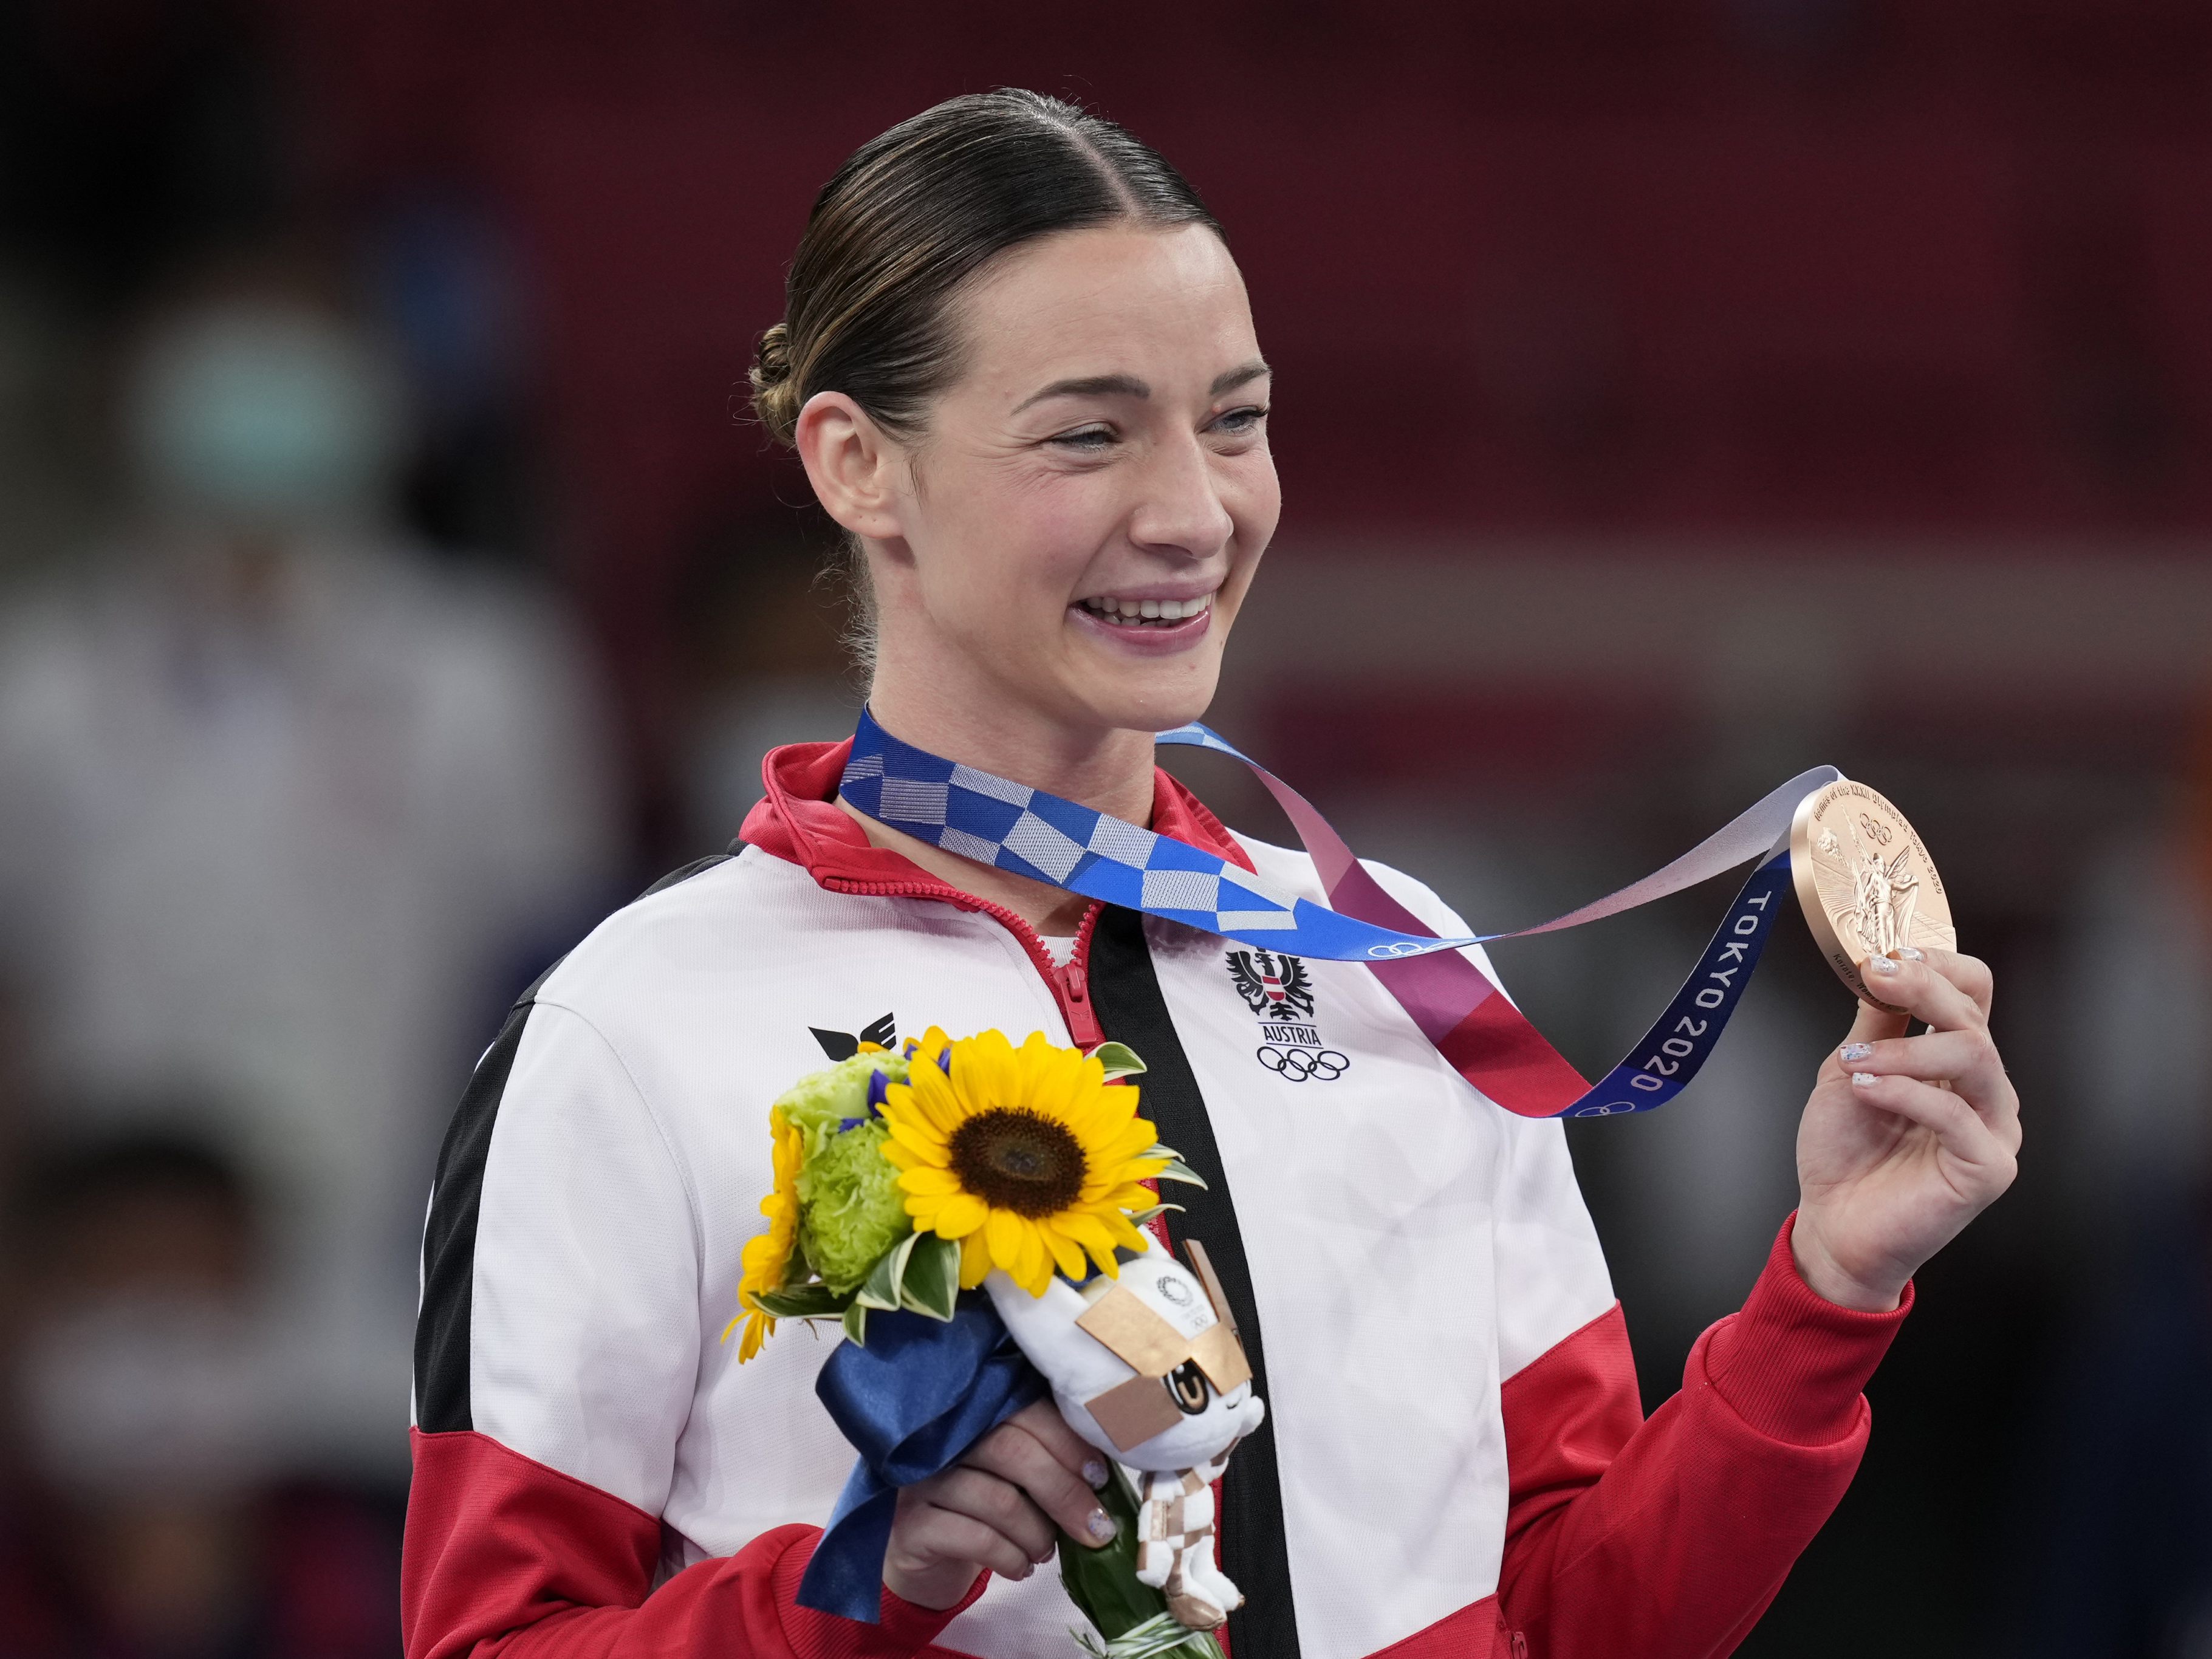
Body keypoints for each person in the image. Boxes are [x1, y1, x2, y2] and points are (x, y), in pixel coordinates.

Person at [403, 92, 2021, 1659]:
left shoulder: (1391, 956)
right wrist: (852, 1590)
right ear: (855, 464)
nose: (1194, 511)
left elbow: (1576, 1612)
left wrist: (1825, 1287)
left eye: (1234, 420)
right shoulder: (636, 1029)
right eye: (1089, 433)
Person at [0, 267, 621, 1478]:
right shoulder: (39, 682)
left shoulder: (489, 668)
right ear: (131, 394)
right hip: (119, 1310)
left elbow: (561, 992)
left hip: (402, 1291)